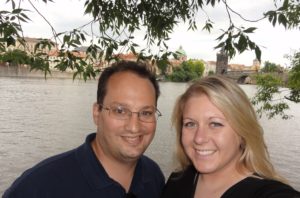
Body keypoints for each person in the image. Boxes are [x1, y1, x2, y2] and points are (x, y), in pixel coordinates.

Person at [4, 61, 165, 198]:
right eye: (120, 111)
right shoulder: (39, 187)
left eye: (146, 113)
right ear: (97, 113)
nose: (134, 126)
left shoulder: (153, 176)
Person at [161, 75, 300, 198]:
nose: (199, 138)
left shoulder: (267, 193)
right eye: (190, 124)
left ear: (243, 131)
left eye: (215, 124)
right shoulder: (177, 180)